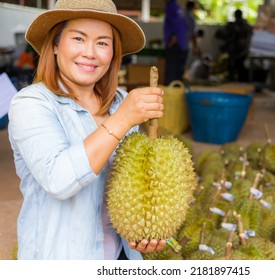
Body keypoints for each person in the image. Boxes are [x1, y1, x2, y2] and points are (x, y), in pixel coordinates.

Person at [8, 0, 166, 260]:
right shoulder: (31, 104)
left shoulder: (120, 102)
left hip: (119, 256)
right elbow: (58, 179)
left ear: (113, 53)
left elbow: (129, 186)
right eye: (79, 38)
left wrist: (145, 228)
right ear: (56, 45)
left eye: (103, 43)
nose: (90, 52)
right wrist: (123, 119)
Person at [215, 9, 253, 82]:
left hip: (239, 50)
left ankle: (237, 79)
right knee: (235, 66)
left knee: (238, 67)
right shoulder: (239, 25)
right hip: (236, 50)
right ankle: (234, 79)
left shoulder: (242, 26)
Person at [163, 0, 188, 85]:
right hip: (181, 45)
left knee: (171, 74)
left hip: (174, 45)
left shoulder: (171, 6)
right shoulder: (178, 7)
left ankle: (171, 96)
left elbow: (175, 25)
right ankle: (177, 95)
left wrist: (172, 41)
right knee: (178, 74)